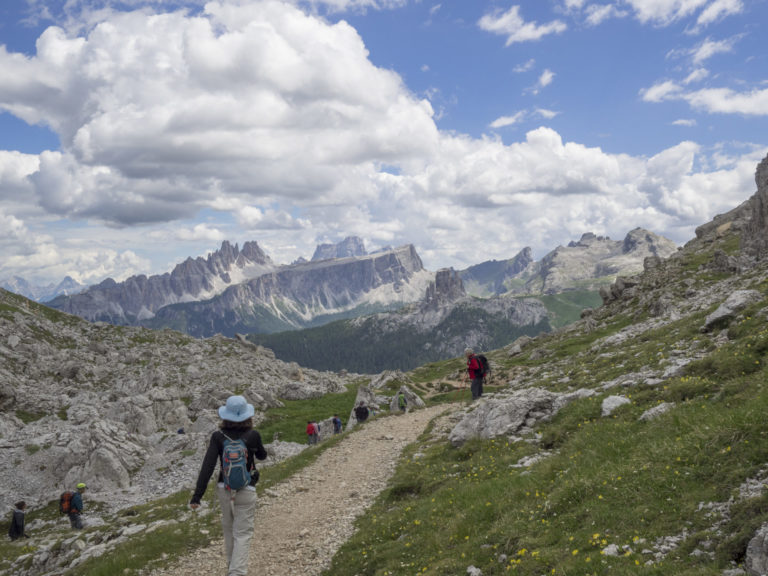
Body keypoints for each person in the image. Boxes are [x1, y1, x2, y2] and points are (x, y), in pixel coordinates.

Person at [190, 395, 267, 576]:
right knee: (243, 533)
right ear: (248, 416)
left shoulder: (218, 437)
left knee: (229, 530)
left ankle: (232, 569)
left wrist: (197, 496)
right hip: (247, 489)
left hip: (224, 489)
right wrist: (254, 449)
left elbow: (208, 466)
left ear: (226, 416)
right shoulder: (253, 435)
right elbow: (262, 456)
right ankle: (237, 572)